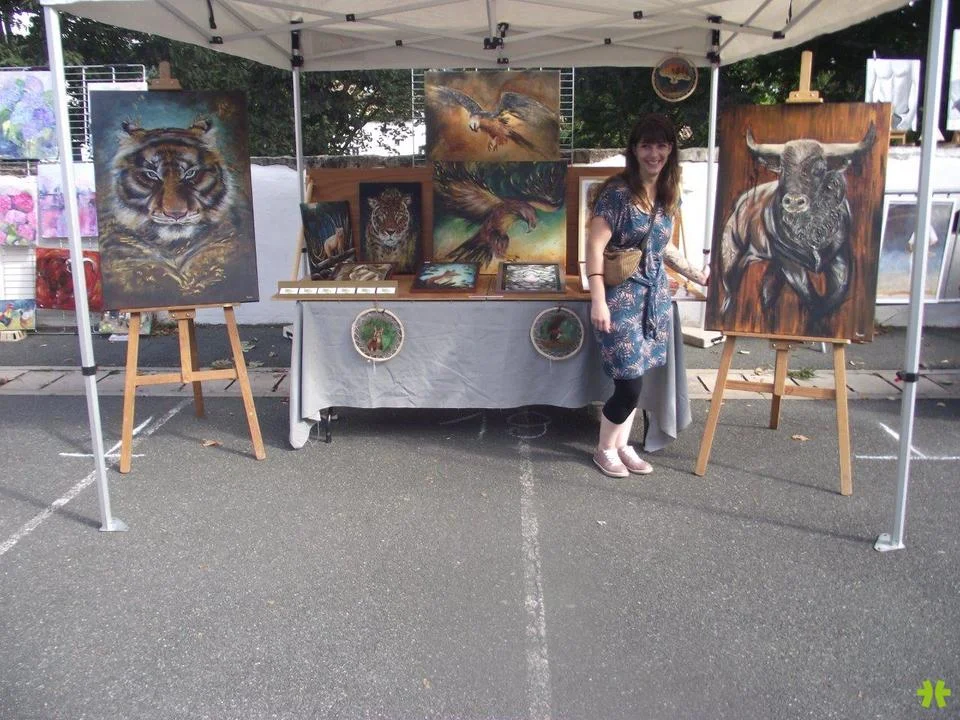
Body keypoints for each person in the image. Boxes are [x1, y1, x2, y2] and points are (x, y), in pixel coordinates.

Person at [584, 113, 708, 478]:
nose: (654, 153)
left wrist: (697, 275)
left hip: (654, 301)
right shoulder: (617, 194)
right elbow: (594, 247)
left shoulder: (668, 195)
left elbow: (661, 246)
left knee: (638, 376)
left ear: (671, 149)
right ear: (634, 150)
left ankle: (622, 445)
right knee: (629, 383)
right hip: (620, 301)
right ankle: (604, 449)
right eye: (646, 145)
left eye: (661, 145)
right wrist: (598, 299)